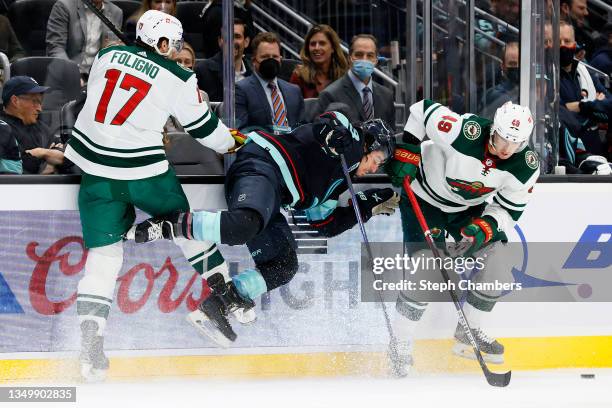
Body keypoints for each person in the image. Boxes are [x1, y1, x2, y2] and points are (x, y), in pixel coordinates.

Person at [62, 10, 238, 382]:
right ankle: (224, 293)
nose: (174, 51)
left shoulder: (107, 55)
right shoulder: (179, 76)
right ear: (159, 41)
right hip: (144, 172)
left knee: (104, 258)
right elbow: (207, 132)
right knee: (186, 227)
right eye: (171, 44)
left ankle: (91, 342)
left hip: (95, 170)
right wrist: (233, 141)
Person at [130, 113, 400, 346]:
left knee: (285, 265)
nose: (374, 168)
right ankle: (170, 224)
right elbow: (328, 124)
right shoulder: (345, 134)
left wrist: (367, 207)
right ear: (367, 144)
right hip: (261, 164)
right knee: (245, 225)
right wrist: (344, 141)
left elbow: (324, 225)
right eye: (376, 159)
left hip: (273, 198)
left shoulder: (337, 184)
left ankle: (222, 303)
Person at [385, 100, 540, 376]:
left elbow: (508, 209)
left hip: (465, 210)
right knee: (428, 270)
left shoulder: (526, 166)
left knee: (501, 258)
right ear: (493, 127)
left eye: (514, 143)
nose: (506, 149)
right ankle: (399, 343)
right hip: (423, 198)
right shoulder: (463, 130)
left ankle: (470, 329)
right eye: (502, 138)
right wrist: (408, 151)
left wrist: (485, 226)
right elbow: (421, 110)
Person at [316, 34, 395, 128]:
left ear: (376, 60)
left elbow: (391, 135)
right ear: (349, 58)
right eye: (359, 55)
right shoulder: (330, 95)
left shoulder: (386, 95)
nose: (364, 59)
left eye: (370, 55)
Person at [559, 20, 611, 157]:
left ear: (575, 44)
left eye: (567, 41)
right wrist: (595, 104)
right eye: (558, 41)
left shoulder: (585, 71)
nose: (563, 45)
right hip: (567, 154)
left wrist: (582, 106)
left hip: (595, 149)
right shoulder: (548, 77)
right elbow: (561, 113)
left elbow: (610, 106)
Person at [235, 32, 304, 131]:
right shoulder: (241, 90)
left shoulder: (294, 90)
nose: (271, 61)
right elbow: (242, 130)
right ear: (254, 61)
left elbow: (302, 127)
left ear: (280, 59)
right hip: (261, 144)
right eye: (265, 57)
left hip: (292, 144)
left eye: (275, 57)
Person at [0, 76, 66, 174]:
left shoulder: (41, 127)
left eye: (40, 102)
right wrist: (49, 161)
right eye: (35, 101)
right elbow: (20, 169)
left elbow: (68, 156)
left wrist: (41, 153)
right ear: (15, 101)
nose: (40, 109)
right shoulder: (3, 129)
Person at [46, 0, 123, 83]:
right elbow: (56, 48)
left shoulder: (116, 12)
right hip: (65, 73)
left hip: (97, 76)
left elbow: (112, 49)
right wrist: (71, 73)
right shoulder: (63, 6)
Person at [195, 18, 252, 102]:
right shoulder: (202, 71)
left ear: (246, 42)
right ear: (220, 41)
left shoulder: (255, 73)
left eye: (237, 36)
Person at [289, 24, 349, 99]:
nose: (316, 48)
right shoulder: (298, 76)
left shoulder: (344, 76)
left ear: (333, 48)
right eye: (313, 44)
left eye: (322, 43)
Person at [480, 41, 519, 118]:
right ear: (503, 66)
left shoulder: (530, 92)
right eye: (512, 64)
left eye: (520, 63)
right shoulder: (494, 95)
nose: (517, 67)